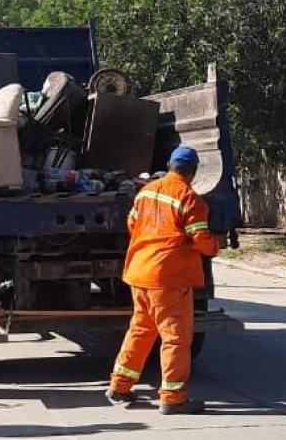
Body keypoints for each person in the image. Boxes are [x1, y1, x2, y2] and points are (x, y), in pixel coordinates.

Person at [106, 145, 218, 414]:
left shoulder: (146, 192)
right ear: (193, 172)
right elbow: (201, 240)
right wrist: (215, 247)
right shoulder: (189, 198)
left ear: (169, 166)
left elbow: (132, 224)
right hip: (168, 279)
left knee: (140, 330)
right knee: (175, 339)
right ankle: (173, 398)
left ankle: (119, 386)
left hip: (139, 273)